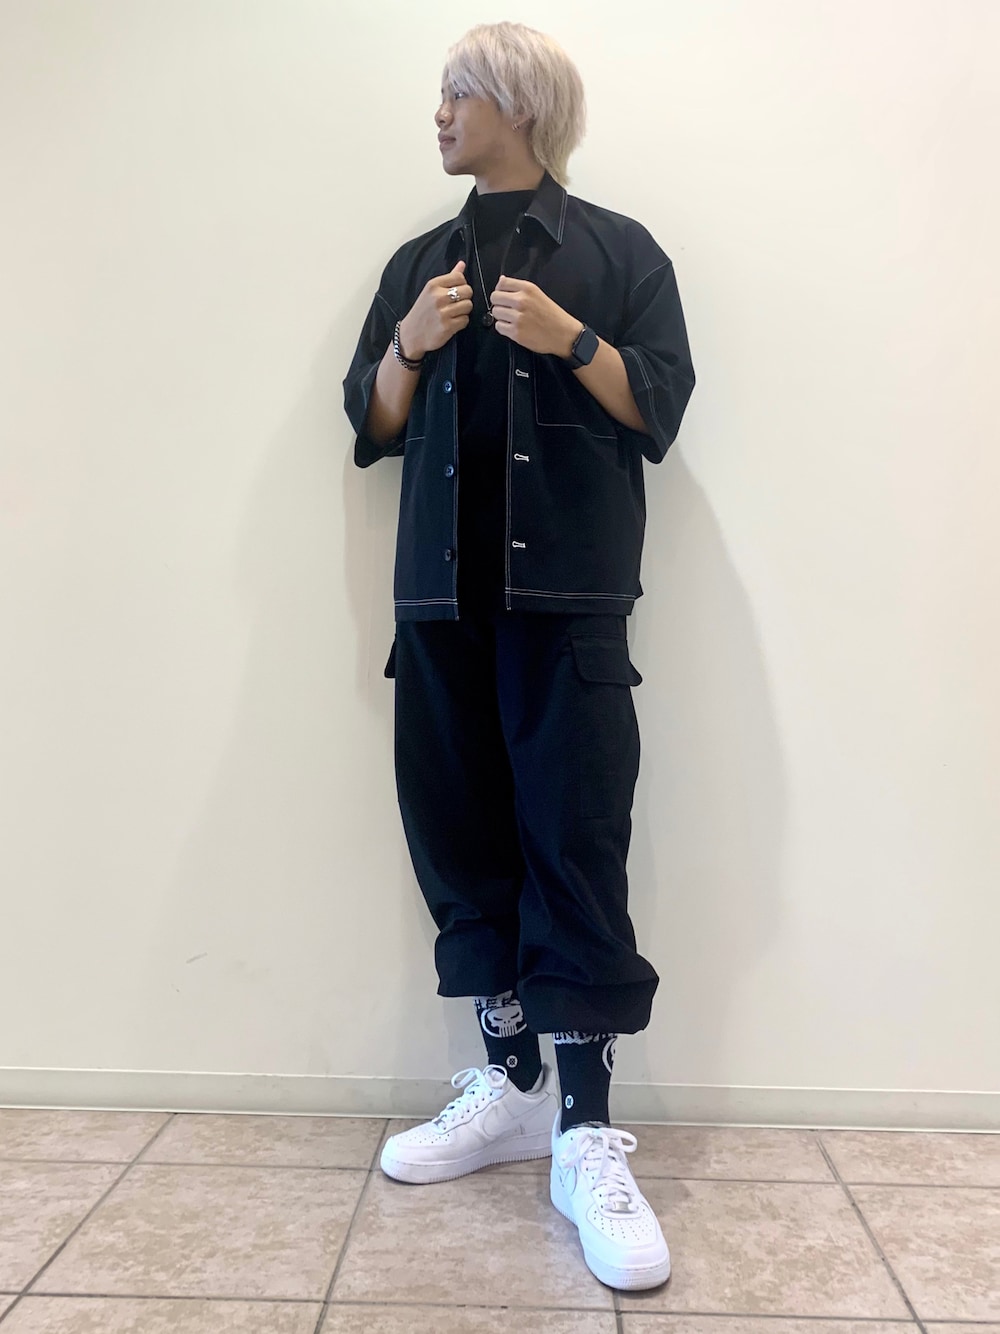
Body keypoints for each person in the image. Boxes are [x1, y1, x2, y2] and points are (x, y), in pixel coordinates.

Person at [343, 21, 694, 1292]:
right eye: (441, 93)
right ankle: (507, 1082)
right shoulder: (417, 264)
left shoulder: (618, 253)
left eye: (459, 92)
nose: (439, 112)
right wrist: (408, 343)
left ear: (520, 106)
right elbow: (370, 420)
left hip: (568, 610)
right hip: (440, 610)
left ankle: (585, 1127)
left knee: (573, 846)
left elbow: (661, 404)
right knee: (460, 845)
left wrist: (573, 341)